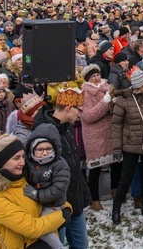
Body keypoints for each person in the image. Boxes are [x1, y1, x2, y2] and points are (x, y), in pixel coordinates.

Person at [0, 130, 69, 248]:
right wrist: (62, 215)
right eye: (16, 158)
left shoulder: (23, 179)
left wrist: (65, 205)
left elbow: (45, 200)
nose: (22, 162)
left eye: (23, 156)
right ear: (2, 161)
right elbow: (32, 228)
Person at [33, 86, 92, 248]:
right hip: (57, 206)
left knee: (81, 245)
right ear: (68, 108)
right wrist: (56, 202)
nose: (80, 114)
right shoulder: (45, 133)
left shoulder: (68, 128)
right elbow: (42, 173)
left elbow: (74, 167)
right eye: (79, 110)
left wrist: (84, 194)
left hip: (75, 202)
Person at [111, 67, 143, 223]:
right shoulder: (123, 100)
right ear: (140, 85)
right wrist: (117, 147)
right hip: (130, 143)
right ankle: (116, 208)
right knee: (126, 176)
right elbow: (116, 125)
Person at [80, 64, 120, 212]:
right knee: (95, 167)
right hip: (94, 134)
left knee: (116, 163)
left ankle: (115, 191)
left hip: (110, 131)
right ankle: (95, 199)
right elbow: (88, 116)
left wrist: (114, 103)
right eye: (93, 76)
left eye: (98, 75)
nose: (97, 78)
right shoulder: (85, 92)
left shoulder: (106, 88)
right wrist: (105, 102)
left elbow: (113, 111)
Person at [23, 124, 70, 249]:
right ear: (32, 150)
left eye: (48, 149)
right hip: (37, 203)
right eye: (40, 149)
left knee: (44, 229)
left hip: (53, 204)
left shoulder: (59, 165)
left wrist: (37, 195)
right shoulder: (30, 163)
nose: (44, 153)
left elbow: (58, 189)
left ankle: (59, 247)